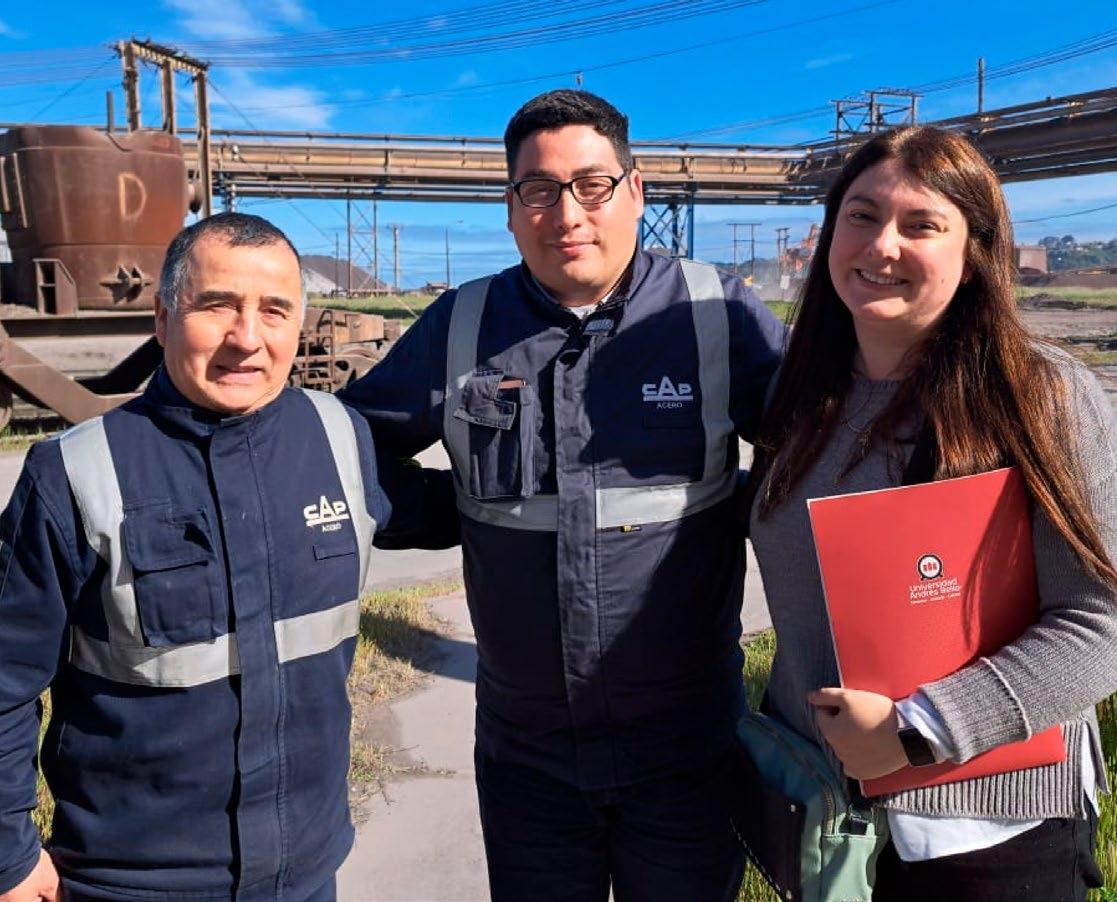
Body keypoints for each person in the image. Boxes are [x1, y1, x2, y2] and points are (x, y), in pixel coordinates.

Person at [341, 88, 785, 901]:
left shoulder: (714, 313)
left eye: (591, 185)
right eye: (539, 190)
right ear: (511, 209)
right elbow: (349, 449)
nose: (567, 214)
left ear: (635, 191)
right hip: (527, 756)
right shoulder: (462, 324)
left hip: (687, 748)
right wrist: (449, 511)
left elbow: (817, 458)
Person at [0, 212, 457, 901]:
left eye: (274, 310)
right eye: (217, 306)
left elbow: (465, 510)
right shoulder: (74, 473)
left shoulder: (338, 440)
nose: (247, 338)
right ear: (162, 319)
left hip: (306, 871)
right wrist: (9, 858)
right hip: (131, 883)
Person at [747, 125, 1116, 901]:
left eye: (920, 225)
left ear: (973, 252)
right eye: (861, 215)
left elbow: (1100, 622)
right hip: (826, 820)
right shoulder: (798, 394)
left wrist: (918, 732)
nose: (881, 245)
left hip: (989, 831)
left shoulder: (1041, 393)